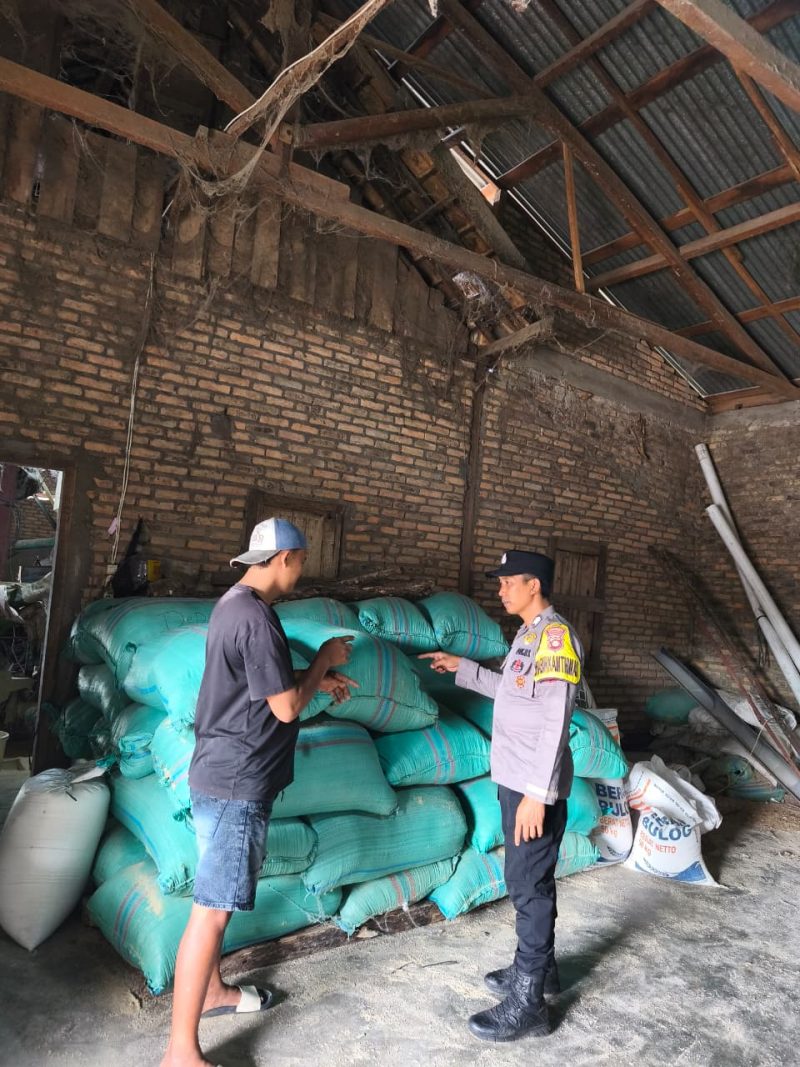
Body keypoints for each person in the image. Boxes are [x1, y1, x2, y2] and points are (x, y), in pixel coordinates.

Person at [161, 517, 356, 1067]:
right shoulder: (257, 618)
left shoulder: (234, 605)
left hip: (218, 774)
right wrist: (324, 660)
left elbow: (262, 682)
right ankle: (180, 1052)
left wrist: (313, 676)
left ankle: (213, 991)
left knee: (216, 903)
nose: (302, 570)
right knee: (211, 911)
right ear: (285, 558)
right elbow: (287, 707)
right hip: (237, 783)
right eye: (302, 560)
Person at [421, 549, 583, 1042]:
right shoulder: (529, 636)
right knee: (527, 878)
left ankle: (530, 1006)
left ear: (534, 585)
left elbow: (555, 718)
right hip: (516, 777)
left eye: (508, 582)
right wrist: (463, 667)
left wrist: (538, 794)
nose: (501, 590)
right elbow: (513, 692)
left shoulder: (555, 638)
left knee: (528, 885)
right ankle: (540, 972)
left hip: (533, 783)